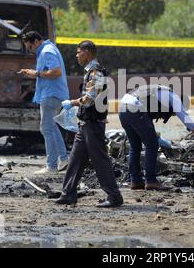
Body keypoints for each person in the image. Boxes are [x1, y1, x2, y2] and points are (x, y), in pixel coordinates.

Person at [55, 40, 123, 208]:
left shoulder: (96, 72)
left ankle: (114, 197)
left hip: (93, 124)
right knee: (75, 159)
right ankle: (68, 194)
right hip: (86, 123)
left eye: (79, 52)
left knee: (100, 159)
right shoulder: (90, 71)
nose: (77, 55)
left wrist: (72, 102)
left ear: (87, 52)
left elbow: (90, 98)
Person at [119, 84, 194, 190]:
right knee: (152, 145)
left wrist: (155, 135)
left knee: (135, 146)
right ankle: (151, 181)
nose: (173, 114)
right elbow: (184, 117)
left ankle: (136, 181)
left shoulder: (156, 93)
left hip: (123, 108)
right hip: (135, 108)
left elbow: (145, 120)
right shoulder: (173, 97)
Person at [19, 31, 69, 175]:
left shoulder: (46, 51)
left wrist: (37, 74)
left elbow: (56, 72)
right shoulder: (49, 49)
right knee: (51, 127)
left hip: (51, 94)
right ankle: (63, 159)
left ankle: (51, 166)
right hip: (53, 94)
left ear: (35, 42)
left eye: (29, 47)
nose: (30, 50)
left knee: (46, 128)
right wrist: (35, 72)